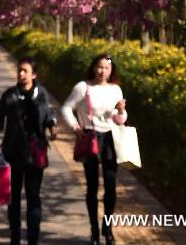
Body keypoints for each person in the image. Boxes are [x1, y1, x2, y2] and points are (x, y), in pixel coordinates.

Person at [0, 56, 58, 245]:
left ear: (34, 74)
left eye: (25, 71)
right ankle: (15, 236)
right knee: (14, 197)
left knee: (34, 197)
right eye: (19, 70)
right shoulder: (10, 95)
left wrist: (52, 127)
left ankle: (33, 238)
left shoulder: (41, 94)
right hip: (13, 152)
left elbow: (48, 114)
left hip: (35, 154)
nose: (21, 74)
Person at [62, 54, 127, 245]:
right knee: (92, 187)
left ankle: (107, 230)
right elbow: (66, 108)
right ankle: (94, 231)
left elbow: (119, 120)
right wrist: (75, 126)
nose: (102, 71)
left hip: (110, 138)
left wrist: (121, 110)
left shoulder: (116, 89)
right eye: (99, 67)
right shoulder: (83, 87)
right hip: (90, 137)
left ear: (111, 70)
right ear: (93, 68)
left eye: (106, 68)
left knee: (111, 186)